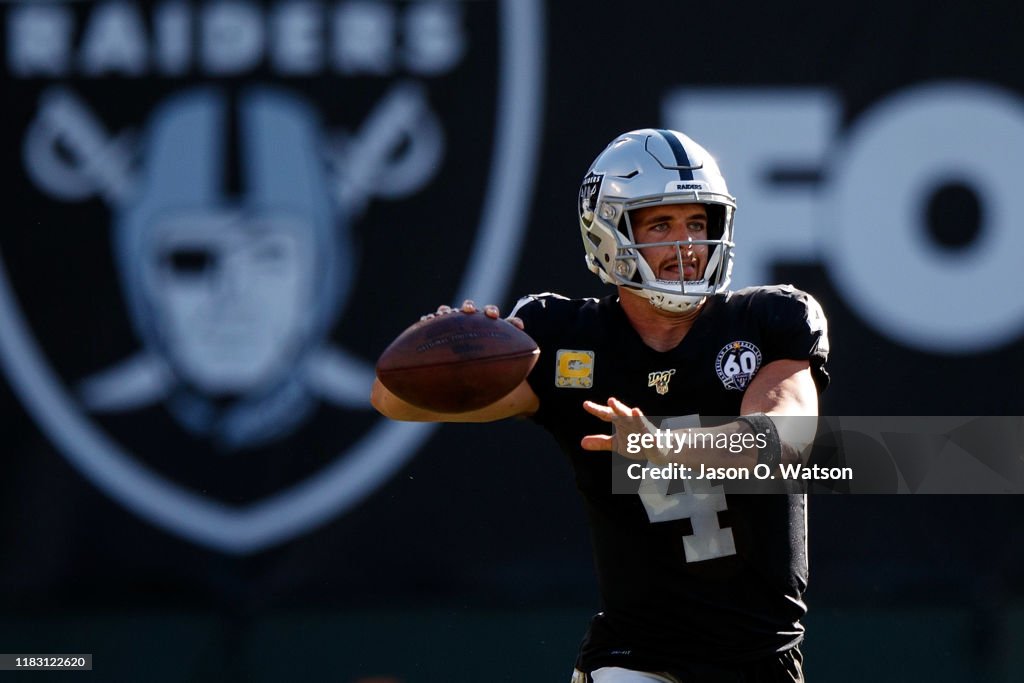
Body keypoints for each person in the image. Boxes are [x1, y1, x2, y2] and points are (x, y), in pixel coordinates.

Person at [371, 129, 829, 682]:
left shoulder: (770, 320)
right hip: (636, 657)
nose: (686, 245)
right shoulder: (565, 337)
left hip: (762, 657)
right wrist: (444, 356)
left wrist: (667, 448)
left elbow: (785, 440)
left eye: (697, 223)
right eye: (660, 224)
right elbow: (394, 402)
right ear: (607, 233)